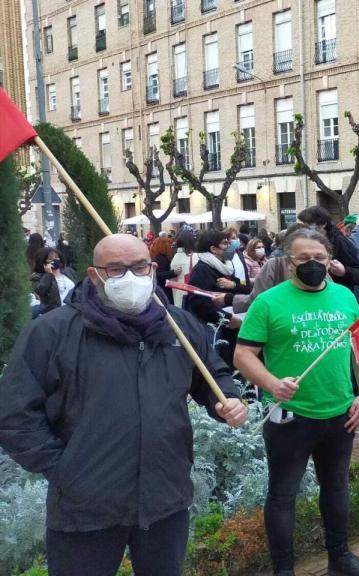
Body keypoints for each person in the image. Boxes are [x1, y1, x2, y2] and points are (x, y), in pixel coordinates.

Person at [0, 234, 246, 576]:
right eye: (115, 269)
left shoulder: (178, 327)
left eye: (139, 267)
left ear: (152, 269)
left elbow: (213, 374)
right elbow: (14, 415)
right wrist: (65, 469)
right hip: (85, 509)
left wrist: (228, 398)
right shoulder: (51, 333)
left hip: (165, 501)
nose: (129, 277)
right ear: (94, 273)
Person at [233, 228, 359, 576]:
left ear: (330, 260)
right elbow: (242, 354)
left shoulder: (345, 298)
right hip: (290, 417)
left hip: (340, 412)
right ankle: (284, 568)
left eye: (319, 258)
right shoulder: (268, 302)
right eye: (303, 259)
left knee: (337, 485)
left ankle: (339, 556)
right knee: (283, 494)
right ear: (288, 261)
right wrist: (271, 383)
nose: (312, 264)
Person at [188, 230, 250, 367]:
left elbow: (247, 288)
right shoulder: (202, 269)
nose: (229, 247)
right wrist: (227, 318)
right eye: (225, 244)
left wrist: (234, 284)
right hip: (214, 329)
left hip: (229, 328)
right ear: (213, 249)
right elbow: (200, 304)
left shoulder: (224, 267)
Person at [298, 207, 359, 290]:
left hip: (337, 295)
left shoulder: (339, 241)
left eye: (309, 224)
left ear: (323, 224)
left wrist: (344, 271)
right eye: (304, 224)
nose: (305, 229)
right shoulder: (310, 240)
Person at [31, 247, 78, 316]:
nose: (55, 260)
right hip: (53, 314)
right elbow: (41, 290)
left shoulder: (68, 271)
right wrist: (49, 274)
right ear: (43, 262)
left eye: (56, 257)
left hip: (72, 311)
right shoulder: (37, 277)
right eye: (50, 259)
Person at [170, 231, 197, 308]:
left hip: (177, 296)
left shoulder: (174, 257)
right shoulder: (194, 256)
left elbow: (172, 280)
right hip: (190, 296)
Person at [149, 236, 177, 301]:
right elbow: (159, 274)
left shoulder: (158, 257)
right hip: (164, 289)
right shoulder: (161, 258)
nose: (171, 247)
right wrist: (173, 272)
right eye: (169, 245)